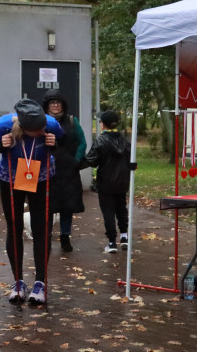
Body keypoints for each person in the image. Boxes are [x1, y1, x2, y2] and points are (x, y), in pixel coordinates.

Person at [0, 99, 64, 305]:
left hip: (42, 176)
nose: (40, 132)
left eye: (42, 129)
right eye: (35, 131)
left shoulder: (51, 123)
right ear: (23, 127)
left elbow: (63, 142)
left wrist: (53, 143)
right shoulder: (3, 125)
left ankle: (40, 282)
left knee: (42, 228)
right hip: (11, 177)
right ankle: (18, 281)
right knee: (14, 226)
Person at [42, 90, 86, 252]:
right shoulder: (41, 122)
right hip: (47, 170)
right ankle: (46, 236)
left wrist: (76, 160)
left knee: (67, 206)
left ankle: (65, 236)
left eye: (58, 102)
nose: (55, 105)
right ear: (47, 105)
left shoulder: (72, 121)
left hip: (68, 171)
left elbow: (82, 142)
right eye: (52, 102)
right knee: (47, 205)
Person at [84, 110, 132, 253]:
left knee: (108, 211)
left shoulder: (101, 140)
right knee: (122, 209)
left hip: (106, 182)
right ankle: (124, 237)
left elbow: (92, 160)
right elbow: (130, 160)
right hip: (123, 181)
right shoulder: (125, 140)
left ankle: (111, 243)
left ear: (103, 125)